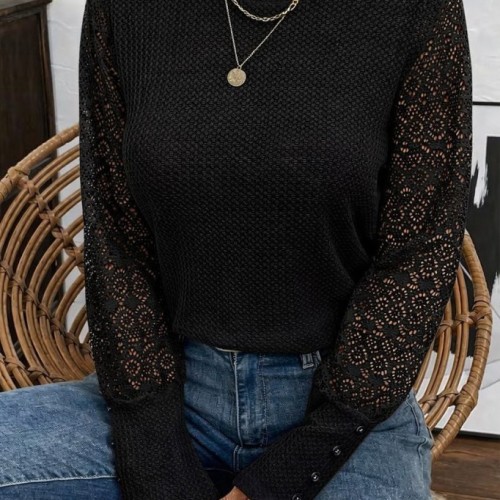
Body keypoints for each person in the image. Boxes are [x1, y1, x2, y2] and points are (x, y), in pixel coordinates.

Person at [0, 0, 472, 498]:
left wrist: (292, 470)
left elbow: (418, 252)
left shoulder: (418, 10)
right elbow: (116, 233)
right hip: (167, 387)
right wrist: (157, 462)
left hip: (344, 409)